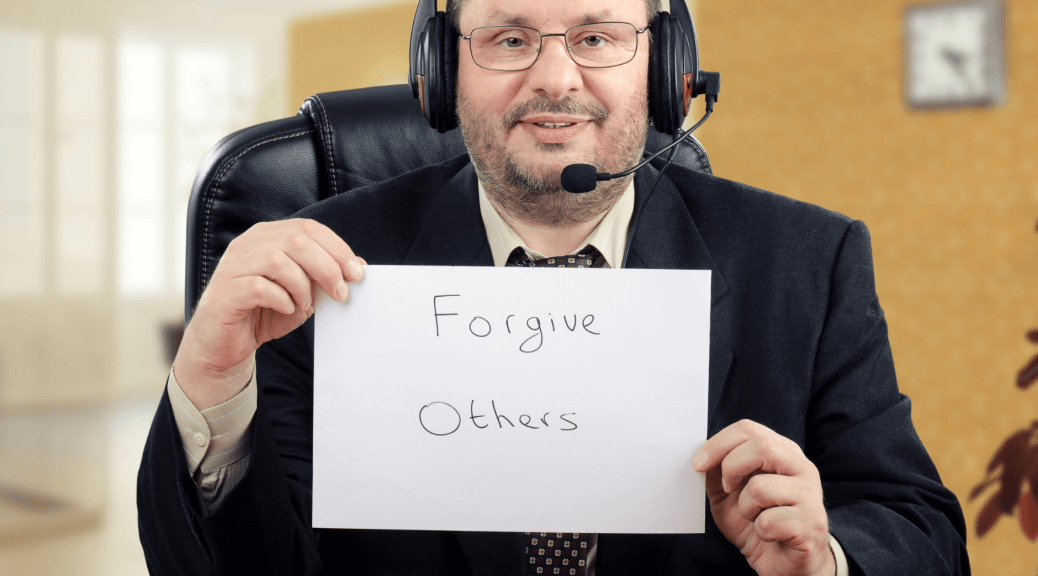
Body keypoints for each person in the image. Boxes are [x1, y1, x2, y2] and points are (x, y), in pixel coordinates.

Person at [137, 0, 969, 574]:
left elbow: (922, 530)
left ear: (669, 66)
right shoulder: (327, 268)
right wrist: (211, 385)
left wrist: (824, 558)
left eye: (600, 36)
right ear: (439, 69)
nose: (556, 79)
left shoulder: (807, 259)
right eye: (508, 39)